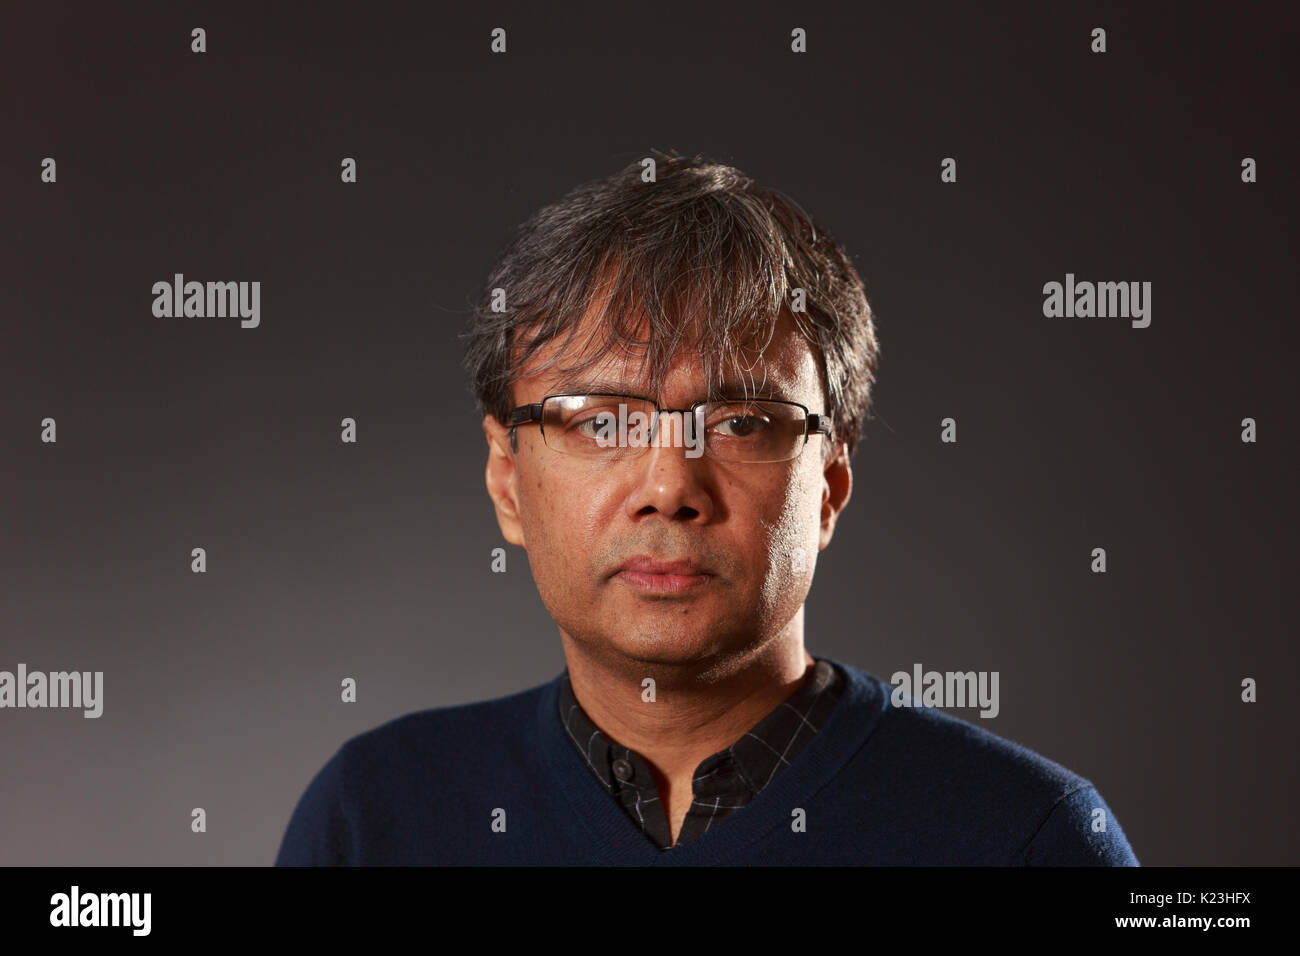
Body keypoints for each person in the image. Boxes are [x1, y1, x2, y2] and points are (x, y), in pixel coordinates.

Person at [275, 153, 1139, 865]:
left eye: (739, 422)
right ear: (507, 479)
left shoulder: (1028, 836)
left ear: (831, 482)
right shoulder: (377, 816)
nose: (669, 486)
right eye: (602, 421)